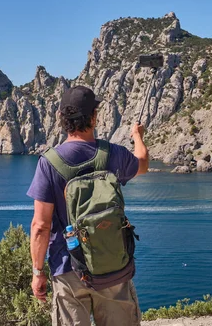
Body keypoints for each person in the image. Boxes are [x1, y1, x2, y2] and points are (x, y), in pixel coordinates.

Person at [27, 85, 149, 326]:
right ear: (94, 117)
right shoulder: (113, 153)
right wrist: (137, 137)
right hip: (113, 263)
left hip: (68, 267)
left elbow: (40, 226)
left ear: (62, 119)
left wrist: (38, 273)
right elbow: (142, 163)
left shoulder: (49, 163)